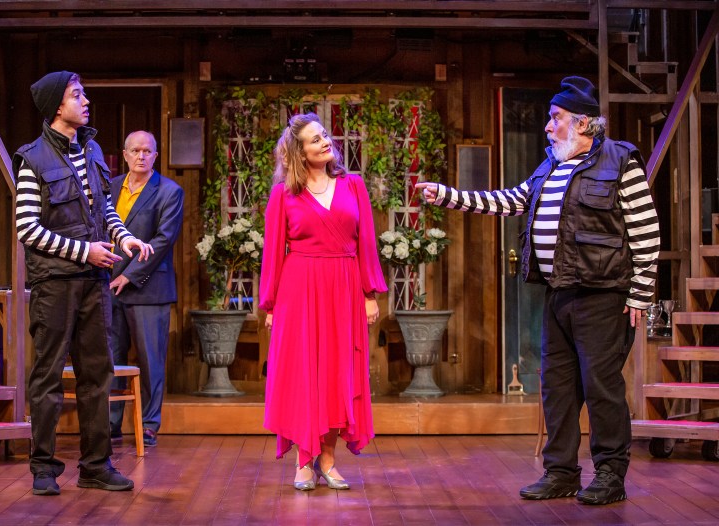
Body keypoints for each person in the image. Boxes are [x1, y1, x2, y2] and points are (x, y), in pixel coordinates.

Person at [416, 76, 660, 505]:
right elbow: (510, 200)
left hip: (603, 295)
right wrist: (449, 196)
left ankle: (610, 474)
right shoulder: (549, 166)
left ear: (582, 122)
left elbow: (646, 231)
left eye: (555, 117)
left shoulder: (620, 161)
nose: (547, 126)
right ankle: (561, 472)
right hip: (558, 293)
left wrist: (640, 292)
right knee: (557, 387)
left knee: (602, 387)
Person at [13, 71, 153, 496]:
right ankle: (43, 467)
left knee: (97, 373)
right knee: (48, 376)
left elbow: (104, 209)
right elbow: (27, 228)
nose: (86, 101)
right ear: (58, 105)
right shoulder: (34, 159)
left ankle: (96, 465)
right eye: (78, 95)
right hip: (56, 283)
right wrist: (82, 251)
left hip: (94, 282)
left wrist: (124, 238)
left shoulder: (90, 150)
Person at [259, 113, 387, 491]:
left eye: (325, 135)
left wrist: (369, 294)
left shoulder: (353, 185)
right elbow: (273, 254)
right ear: (300, 152)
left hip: (344, 288)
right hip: (299, 290)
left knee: (337, 373)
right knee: (303, 374)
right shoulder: (284, 195)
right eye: (315, 139)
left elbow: (366, 244)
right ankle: (303, 459)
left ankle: (327, 459)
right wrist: (270, 305)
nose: (326, 142)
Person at [108, 131, 184, 448]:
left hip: (148, 287)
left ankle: (149, 424)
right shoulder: (111, 187)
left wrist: (129, 275)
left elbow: (163, 240)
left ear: (155, 155)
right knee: (112, 359)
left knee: (151, 360)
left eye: (147, 151)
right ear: (125, 154)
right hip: (109, 284)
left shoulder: (169, 191)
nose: (141, 156)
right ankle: (111, 424)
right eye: (135, 150)